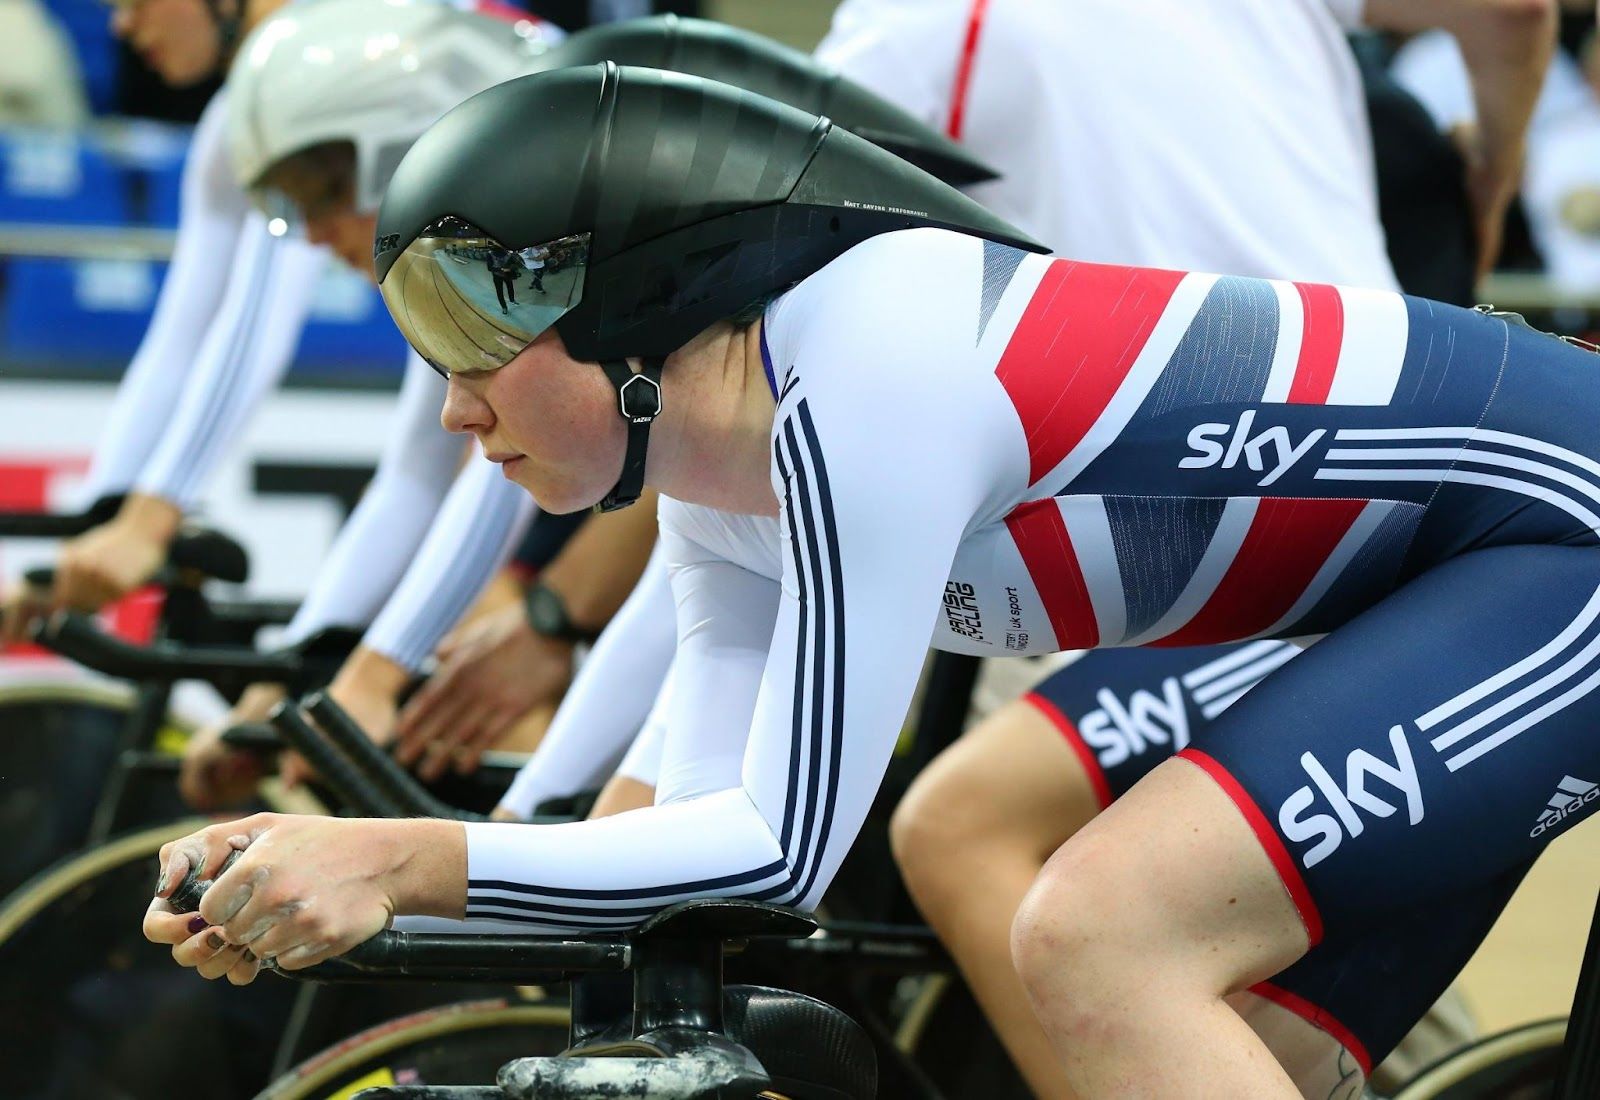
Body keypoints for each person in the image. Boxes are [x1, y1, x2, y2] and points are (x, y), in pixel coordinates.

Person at [146, 62, 1600, 1097]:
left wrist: (404, 862)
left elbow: (777, 852)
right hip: (1433, 577)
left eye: (475, 354)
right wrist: (320, 881)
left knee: (1096, 938)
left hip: (1559, 536)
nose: (458, 415)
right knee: (1184, 1052)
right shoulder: (722, 477)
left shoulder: (870, 378)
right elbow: (677, 838)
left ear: (636, 308)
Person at [813, 1, 1551, 1093]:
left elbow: (750, 285)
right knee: (1215, 981)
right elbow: (1511, 13)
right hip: (1363, 488)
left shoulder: (919, 20)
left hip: (1261, 537)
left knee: (971, 833)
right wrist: (1488, 178)